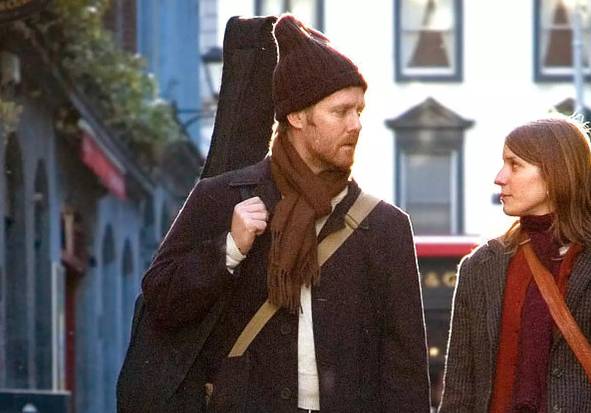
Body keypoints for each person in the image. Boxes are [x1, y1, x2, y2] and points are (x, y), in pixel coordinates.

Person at [137, 14, 430, 412]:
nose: (356, 124)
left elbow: (405, 372)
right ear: (296, 116)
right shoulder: (224, 197)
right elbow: (162, 303)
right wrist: (229, 249)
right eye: (340, 111)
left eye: (359, 110)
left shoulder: (384, 226)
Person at [439, 117, 591, 412]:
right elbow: (459, 392)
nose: (500, 177)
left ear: (555, 173)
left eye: (515, 165)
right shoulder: (480, 267)